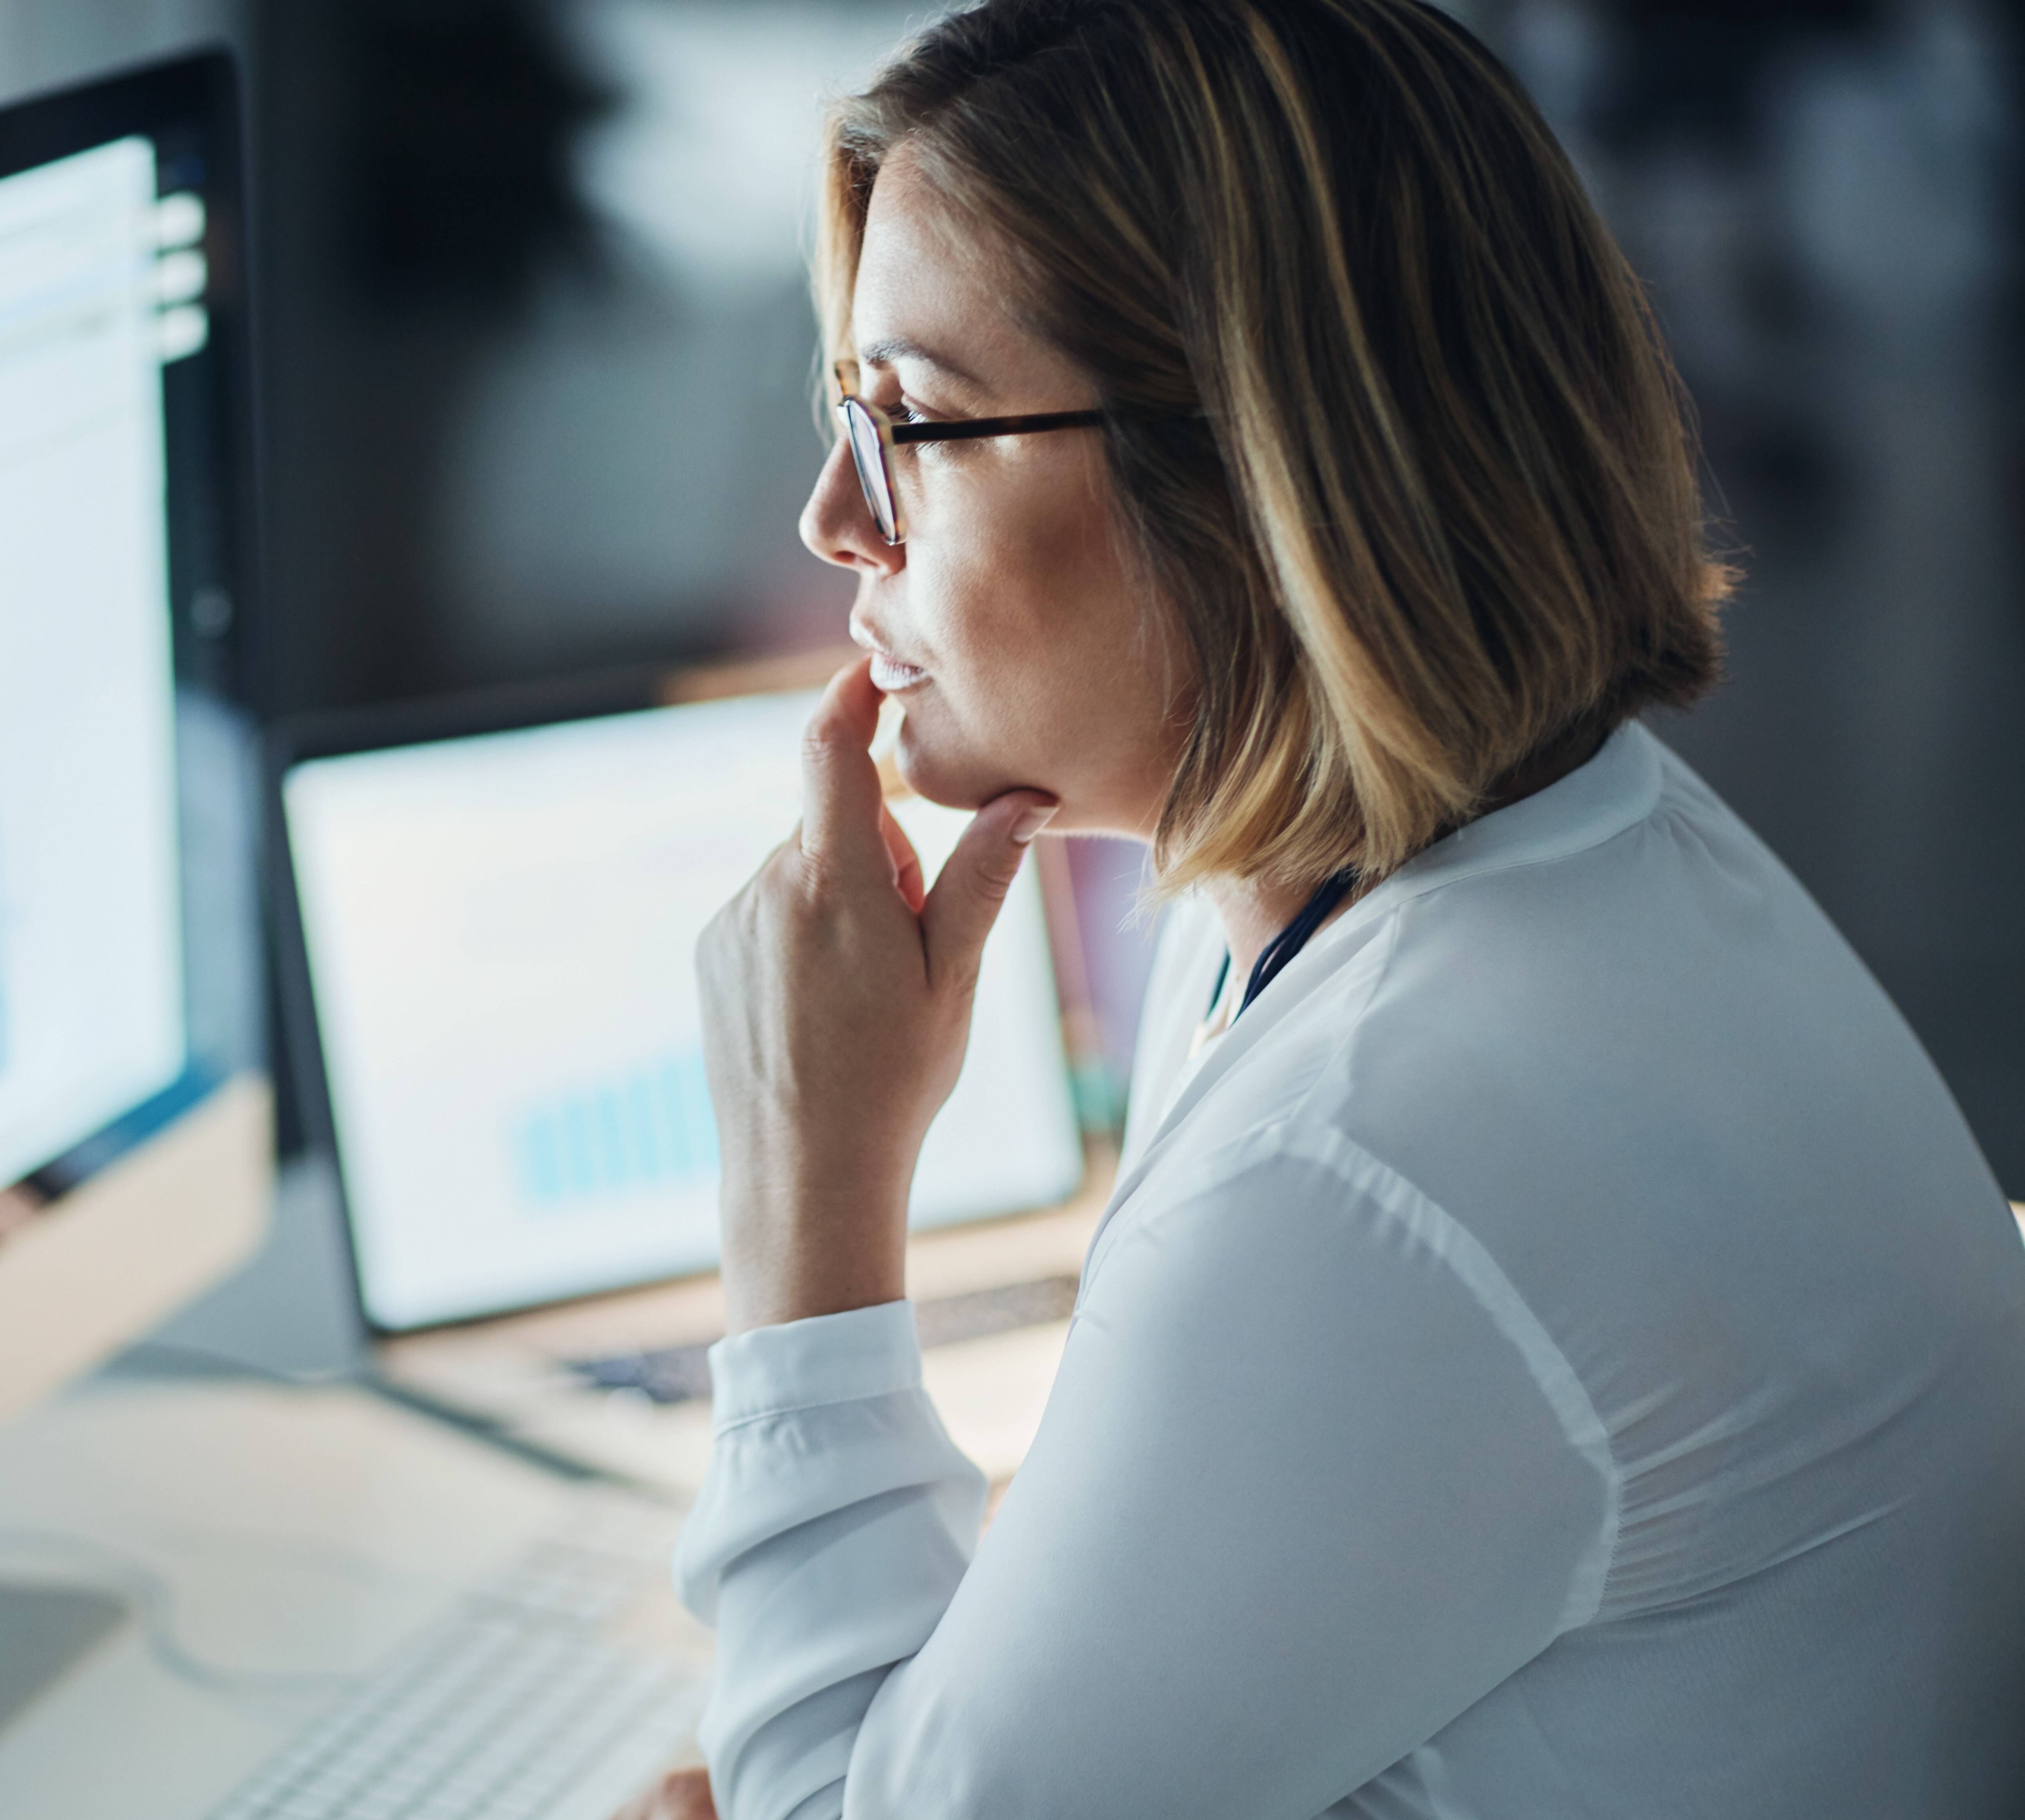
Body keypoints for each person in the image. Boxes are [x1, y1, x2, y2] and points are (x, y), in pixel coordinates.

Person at [621, 2, 2025, 1815]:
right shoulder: (1537, 869)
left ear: (1252, 475)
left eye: (913, 419)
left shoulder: (1377, 1152)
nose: (832, 519)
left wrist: (805, 1187)